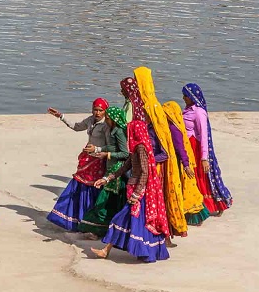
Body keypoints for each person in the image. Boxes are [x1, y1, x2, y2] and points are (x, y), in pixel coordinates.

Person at [130, 67, 199, 238]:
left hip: (158, 166)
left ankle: (162, 231)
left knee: (158, 198)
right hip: (150, 161)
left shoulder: (153, 110)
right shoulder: (147, 106)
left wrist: (184, 163)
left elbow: (168, 147)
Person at [91, 121, 170, 262]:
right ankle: (142, 251)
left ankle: (106, 250)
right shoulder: (135, 148)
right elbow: (125, 166)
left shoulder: (141, 148)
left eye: (130, 131)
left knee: (121, 219)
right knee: (134, 222)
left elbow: (144, 172)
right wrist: (107, 178)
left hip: (139, 193)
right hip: (136, 190)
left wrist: (136, 194)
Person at [45, 98, 113, 232]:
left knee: (91, 188)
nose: (97, 113)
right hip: (87, 158)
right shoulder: (90, 120)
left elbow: (110, 145)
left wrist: (97, 149)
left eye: (101, 110)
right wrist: (61, 116)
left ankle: (89, 221)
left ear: (105, 111)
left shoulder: (106, 125)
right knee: (79, 185)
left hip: (98, 160)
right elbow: (76, 127)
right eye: (95, 110)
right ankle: (74, 217)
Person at [76, 105, 129, 239]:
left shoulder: (119, 132)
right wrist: (98, 149)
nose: (105, 119)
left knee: (104, 201)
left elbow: (124, 153)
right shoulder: (112, 130)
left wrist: (108, 155)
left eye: (108, 117)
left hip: (116, 170)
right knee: (110, 202)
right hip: (110, 168)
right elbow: (111, 146)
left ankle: (99, 230)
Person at [181, 83, 232, 219]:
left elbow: (204, 136)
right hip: (189, 149)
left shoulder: (199, 113)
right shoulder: (188, 110)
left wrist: (204, 158)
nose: (184, 98)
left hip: (196, 150)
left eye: (186, 96)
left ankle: (212, 205)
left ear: (192, 97)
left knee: (202, 178)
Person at [162, 100, 206, 224]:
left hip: (179, 163)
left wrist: (186, 165)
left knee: (183, 189)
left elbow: (180, 148)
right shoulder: (177, 126)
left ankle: (192, 216)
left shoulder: (173, 128)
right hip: (181, 161)